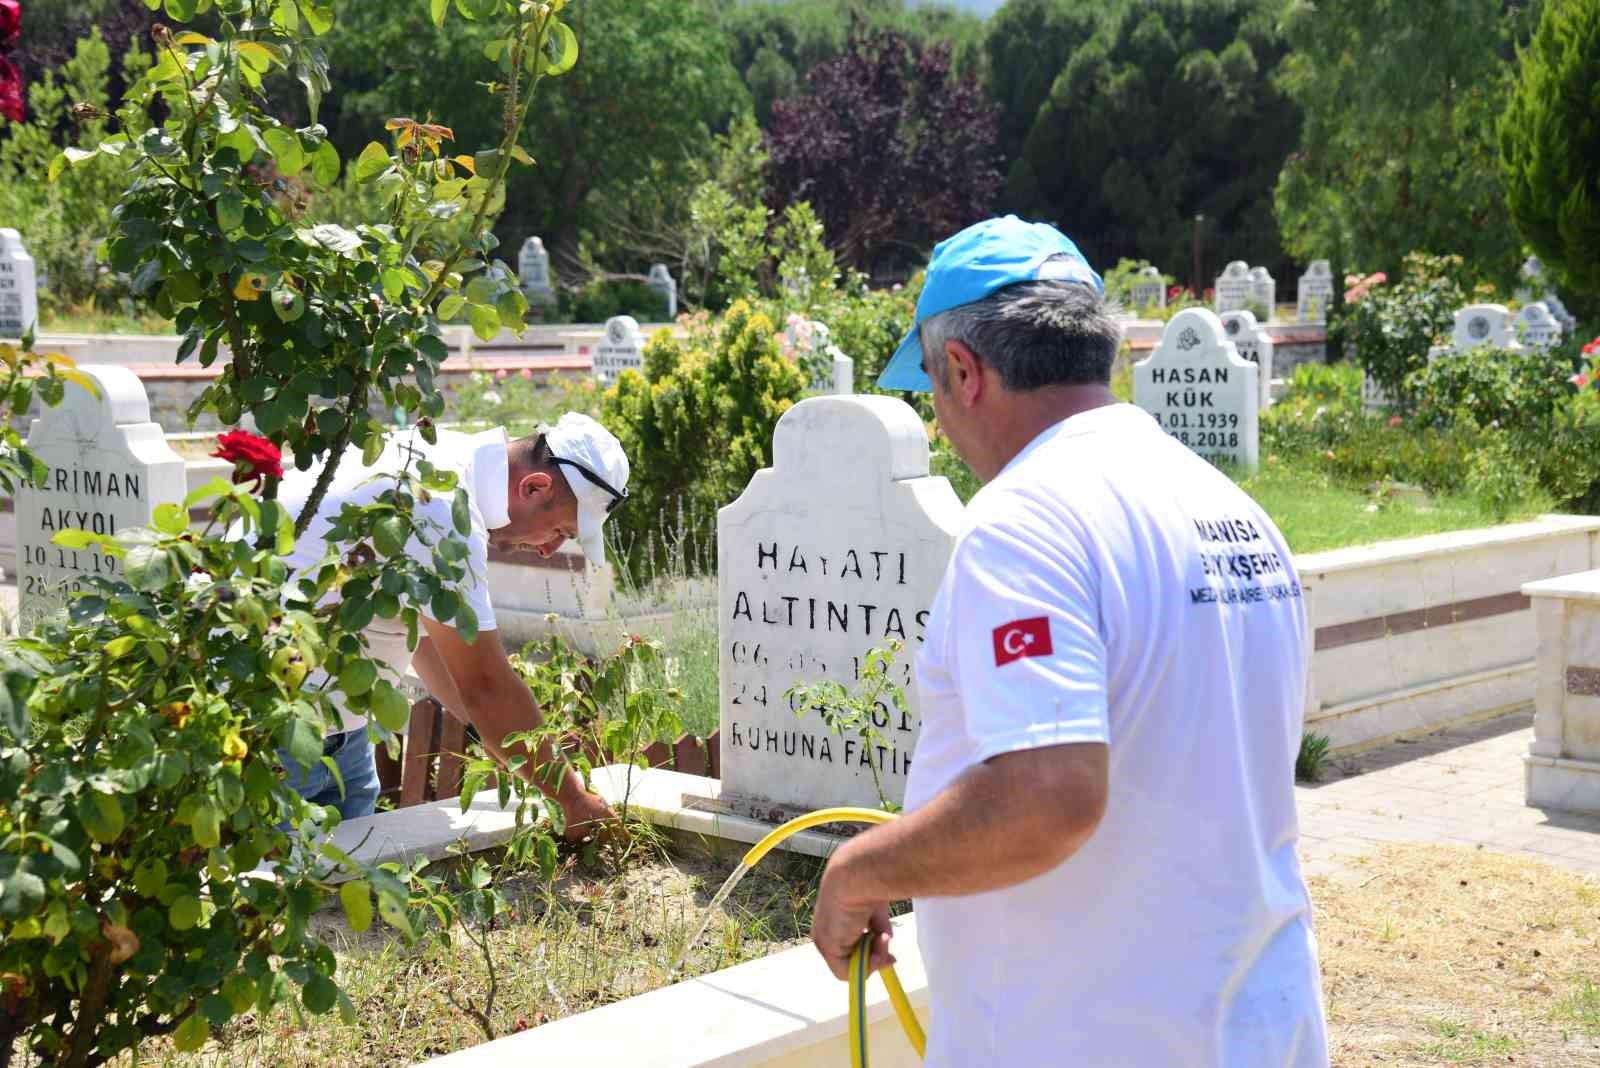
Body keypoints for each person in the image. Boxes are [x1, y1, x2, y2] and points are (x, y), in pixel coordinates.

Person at [807, 216, 1329, 1065]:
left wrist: (860, 871)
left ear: (965, 372)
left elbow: (1049, 793)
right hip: (1254, 1025)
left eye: (933, 391)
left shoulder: (1024, 521)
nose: (939, 422)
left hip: (1094, 1033)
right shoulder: (1233, 511)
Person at [273, 412, 628, 839]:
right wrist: (572, 800)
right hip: (276, 736)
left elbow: (433, 651)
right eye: (558, 530)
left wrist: (509, 745)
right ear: (534, 487)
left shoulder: (440, 462)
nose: (551, 550)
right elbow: (485, 685)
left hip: (338, 732)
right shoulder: (441, 507)